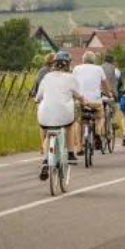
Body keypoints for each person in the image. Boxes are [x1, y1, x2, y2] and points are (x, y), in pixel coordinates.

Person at [35, 51, 85, 179]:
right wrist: (84, 101)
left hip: (45, 115)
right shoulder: (71, 78)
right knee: (69, 127)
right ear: (68, 65)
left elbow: (38, 97)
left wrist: (37, 100)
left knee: (47, 133)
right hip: (64, 115)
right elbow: (79, 96)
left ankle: (46, 161)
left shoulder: (46, 77)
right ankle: (70, 153)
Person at [72, 51, 113, 154]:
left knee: (78, 121)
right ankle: (98, 132)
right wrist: (109, 94)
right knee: (100, 117)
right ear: (94, 60)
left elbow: (72, 83)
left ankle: (79, 147)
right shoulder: (99, 69)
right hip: (95, 101)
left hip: (81, 100)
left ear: (83, 60)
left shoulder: (76, 68)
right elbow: (105, 84)